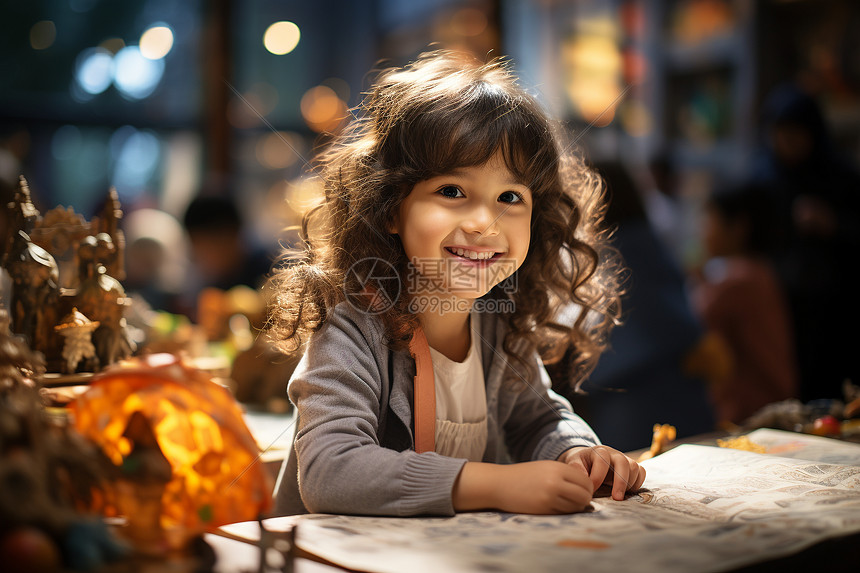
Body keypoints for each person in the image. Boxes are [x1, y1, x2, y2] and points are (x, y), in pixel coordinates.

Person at [266, 50, 645, 518]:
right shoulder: (352, 330)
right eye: (452, 191)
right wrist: (496, 485)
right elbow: (330, 472)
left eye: (509, 197)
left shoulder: (501, 325)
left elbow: (539, 419)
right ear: (389, 209)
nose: (484, 222)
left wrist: (578, 454)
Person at [551, 161, 716, 452]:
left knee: (635, 482)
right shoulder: (648, 242)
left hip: (630, 403)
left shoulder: (607, 253)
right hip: (680, 395)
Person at [689, 181, 798, 426]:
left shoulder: (738, 279)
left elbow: (686, 321)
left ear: (738, 227)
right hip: (768, 406)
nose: (702, 231)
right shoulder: (760, 271)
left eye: (710, 220)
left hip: (749, 417)